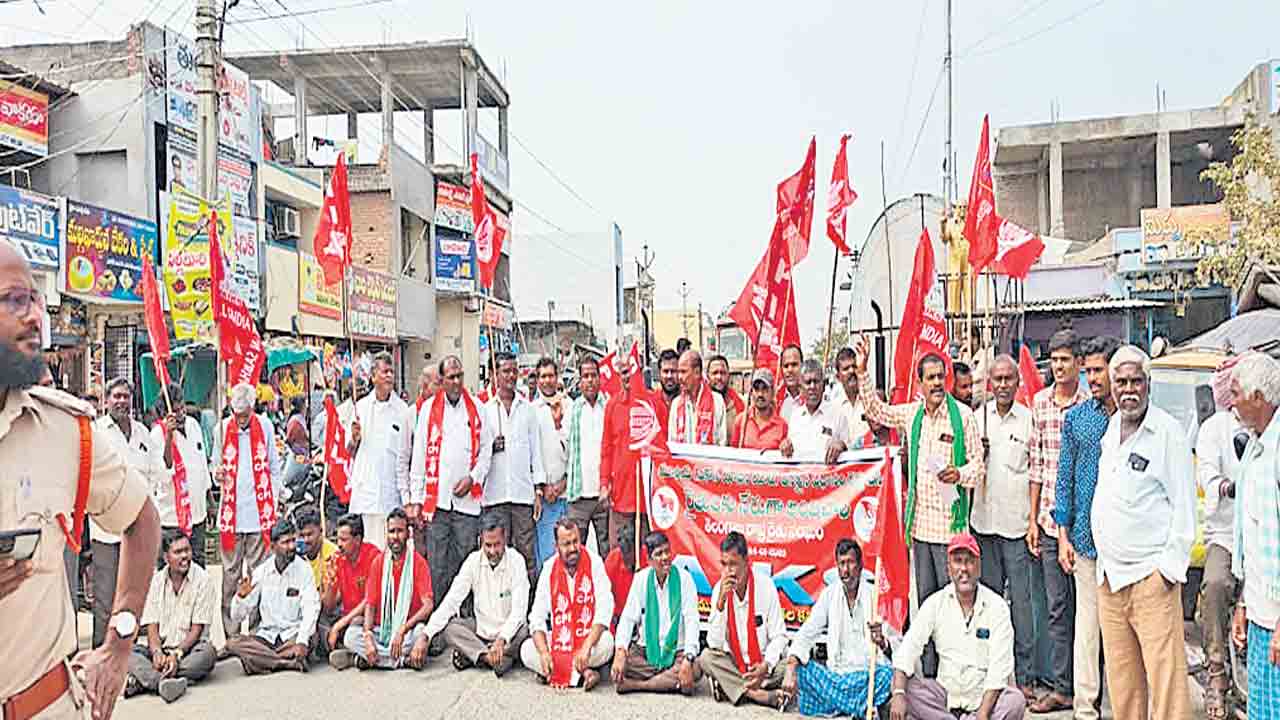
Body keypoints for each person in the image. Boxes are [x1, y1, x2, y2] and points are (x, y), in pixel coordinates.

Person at [0, 238, 162, 720]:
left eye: (36, 300)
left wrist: (119, 644)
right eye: (14, 300)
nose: (35, 318)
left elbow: (142, 519)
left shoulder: (65, 431)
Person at [1092, 345, 1196, 719]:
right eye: (1121, 382)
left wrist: (1167, 572)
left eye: (1136, 380)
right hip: (1111, 579)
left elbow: (1186, 509)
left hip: (1151, 579)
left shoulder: (1167, 432)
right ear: (1112, 386)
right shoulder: (1110, 428)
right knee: (1123, 688)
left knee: (1167, 688)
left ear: (1148, 384)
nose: (1129, 389)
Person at [853, 336, 984, 609]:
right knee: (926, 607)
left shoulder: (963, 416)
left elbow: (978, 469)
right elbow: (878, 411)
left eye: (940, 377)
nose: (937, 383)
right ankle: (928, 655)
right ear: (920, 384)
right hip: (920, 529)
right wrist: (863, 372)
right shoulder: (913, 415)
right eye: (931, 378)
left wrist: (958, 474)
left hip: (951, 529)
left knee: (952, 607)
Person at [1051, 334, 1121, 718]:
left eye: (1099, 370)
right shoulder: (1077, 419)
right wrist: (1063, 536)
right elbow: (1065, 482)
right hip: (1086, 543)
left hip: (1128, 548)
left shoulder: (1133, 418)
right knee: (1087, 630)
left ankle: (1125, 706)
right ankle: (1085, 708)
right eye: (1090, 370)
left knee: (1122, 633)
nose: (1093, 378)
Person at [889, 534, 1027, 720]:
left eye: (969, 561)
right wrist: (898, 693)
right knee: (908, 688)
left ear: (979, 566)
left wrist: (983, 715)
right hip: (946, 698)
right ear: (948, 568)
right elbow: (908, 649)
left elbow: (999, 669)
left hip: (984, 700)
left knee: (1015, 701)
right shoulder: (935, 603)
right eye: (957, 561)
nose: (963, 568)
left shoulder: (997, 606)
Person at [1026, 328, 1088, 712]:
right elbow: (1037, 465)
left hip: (1086, 526)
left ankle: (1090, 683)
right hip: (1050, 523)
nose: (1059, 366)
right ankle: (1062, 687)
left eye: (1066, 359)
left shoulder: (1092, 403)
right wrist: (1032, 520)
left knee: (1091, 608)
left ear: (1079, 363)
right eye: (1055, 359)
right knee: (1057, 608)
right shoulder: (1040, 403)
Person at [971, 355, 1035, 699]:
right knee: (989, 605)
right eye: (997, 379)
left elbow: (1035, 475)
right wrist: (975, 452)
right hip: (983, 525)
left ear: (1017, 382)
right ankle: (989, 674)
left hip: (1017, 527)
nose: (1003, 385)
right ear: (989, 383)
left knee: (1022, 607)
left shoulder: (1028, 421)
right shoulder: (977, 421)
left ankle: (1024, 677)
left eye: (1009, 378)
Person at [410, 355, 494, 617]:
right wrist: (415, 499)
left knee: (467, 563)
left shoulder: (478, 409)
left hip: (468, 504)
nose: (457, 382)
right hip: (437, 504)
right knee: (437, 564)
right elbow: (419, 457)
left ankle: (467, 619)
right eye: (451, 377)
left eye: (460, 376)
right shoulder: (428, 410)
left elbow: (486, 452)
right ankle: (437, 622)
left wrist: (473, 478)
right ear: (442, 380)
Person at [1226, 352, 1280, 720]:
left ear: (1258, 397)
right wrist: (1244, 604)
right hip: (1262, 612)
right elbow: (1255, 538)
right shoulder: (1255, 446)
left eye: (1236, 393)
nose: (1231, 402)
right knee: (1261, 708)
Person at [783, 539, 894, 718]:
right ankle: (859, 708)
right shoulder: (829, 595)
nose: (845, 570)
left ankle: (839, 706)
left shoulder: (875, 596)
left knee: (888, 676)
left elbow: (895, 645)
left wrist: (882, 642)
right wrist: (790, 667)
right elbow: (807, 633)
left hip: (866, 675)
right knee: (802, 671)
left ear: (860, 566)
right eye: (841, 564)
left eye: (850, 563)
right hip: (835, 676)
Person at [91, 377, 161, 648]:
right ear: (106, 400)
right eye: (116, 396)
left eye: (125, 396)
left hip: (138, 528)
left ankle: (130, 652)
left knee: (137, 593)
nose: (121, 401)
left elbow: (159, 474)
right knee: (106, 596)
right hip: (107, 529)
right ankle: (101, 650)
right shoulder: (97, 432)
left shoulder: (143, 433)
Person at [1196, 356, 1246, 718]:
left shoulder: (1270, 426)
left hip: (1266, 530)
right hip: (1227, 532)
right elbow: (1208, 477)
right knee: (1214, 584)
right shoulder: (1214, 429)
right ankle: (1216, 676)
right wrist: (1230, 487)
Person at [217, 382, 285, 640]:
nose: (241, 420)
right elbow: (216, 468)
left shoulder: (265, 426)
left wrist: (275, 499)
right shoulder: (222, 428)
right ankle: (232, 635)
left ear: (253, 409)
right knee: (230, 577)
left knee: (258, 575)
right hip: (231, 516)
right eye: (237, 415)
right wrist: (218, 475)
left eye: (245, 415)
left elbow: (274, 469)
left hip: (259, 514)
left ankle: (258, 632)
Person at [423, 513, 530, 676]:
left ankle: (475, 655)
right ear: (480, 541)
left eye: (497, 545)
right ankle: (491, 659)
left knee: (524, 631)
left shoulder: (517, 561)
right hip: (481, 631)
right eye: (488, 545)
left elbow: (519, 612)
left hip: (509, 636)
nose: (493, 551)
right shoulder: (473, 561)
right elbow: (452, 601)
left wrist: (502, 639)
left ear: (505, 539)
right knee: (451, 629)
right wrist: (426, 635)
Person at [522, 518, 615, 689]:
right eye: (566, 544)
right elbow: (537, 617)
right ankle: (585, 672)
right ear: (556, 546)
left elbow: (605, 608)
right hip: (560, 639)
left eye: (575, 542)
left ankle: (555, 672)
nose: (573, 549)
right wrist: (543, 653)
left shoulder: (594, 562)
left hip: (588, 639)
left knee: (607, 642)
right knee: (527, 650)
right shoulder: (549, 568)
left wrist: (587, 646)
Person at [126, 529, 217, 703]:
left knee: (208, 654)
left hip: (188, 651)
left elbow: (197, 630)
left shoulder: (203, 580)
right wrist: (157, 652)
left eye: (187, 550)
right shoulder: (156, 581)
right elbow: (152, 624)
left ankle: (145, 681)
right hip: (160, 649)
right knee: (126, 651)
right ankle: (166, 682)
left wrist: (177, 654)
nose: (185, 556)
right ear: (166, 558)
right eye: (178, 552)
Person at [700, 531, 789, 708]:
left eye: (733, 564)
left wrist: (766, 665)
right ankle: (758, 695)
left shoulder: (766, 586)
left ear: (747, 562)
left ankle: (731, 688)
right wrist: (721, 604)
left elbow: (780, 636)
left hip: (764, 667)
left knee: (792, 667)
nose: (728, 571)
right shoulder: (720, 589)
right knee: (706, 658)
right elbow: (714, 644)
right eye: (724, 564)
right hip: (735, 664)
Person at [339, 508, 433, 670]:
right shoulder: (379, 562)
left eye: (400, 531)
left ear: (408, 534)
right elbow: (370, 604)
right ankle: (401, 661)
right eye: (391, 531)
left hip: (407, 631)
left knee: (421, 633)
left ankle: (371, 659)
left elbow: (428, 605)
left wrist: (402, 629)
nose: (395, 537)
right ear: (386, 534)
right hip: (382, 630)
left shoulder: (418, 562)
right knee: (350, 637)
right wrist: (368, 636)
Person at [225, 518, 321, 675]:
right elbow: (237, 616)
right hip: (266, 637)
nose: (291, 547)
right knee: (233, 643)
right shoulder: (262, 572)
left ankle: (262, 662)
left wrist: (302, 641)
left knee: (312, 637)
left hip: (292, 636)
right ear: (272, 547)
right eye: (285, 543)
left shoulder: (304, 569)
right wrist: (241, 597)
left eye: (293, 541)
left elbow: (311, 609)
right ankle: (284, 663)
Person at [611, 531, 700, 694]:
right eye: (659, 554)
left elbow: (692, 621)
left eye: (667, 551)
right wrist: (621, 650)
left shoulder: (685, 579)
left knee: (695, 668)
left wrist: (688, 659)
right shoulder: (641, 579)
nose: (665, 557)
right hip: (646, 654)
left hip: (677, 653)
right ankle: (669, 681)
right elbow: (628, 619)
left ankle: (636, 685)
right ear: (649, 560)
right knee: (623, 663)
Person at [482, 352, 544, 583]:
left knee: (525, 553)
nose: (511, 376)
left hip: (521, 495)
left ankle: (527, 606)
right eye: (505, 371)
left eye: (514, 371)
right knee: (497, 552)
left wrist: (538, 490)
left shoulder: (527, 410)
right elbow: (477, 454)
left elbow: (535, 453)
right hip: (494, 495)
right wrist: (491, 447)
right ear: (494, 375)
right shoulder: (485, 410)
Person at [347, 352, 414, 552]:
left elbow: (406, 457)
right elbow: (349, 451)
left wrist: (406, 498)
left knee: (389, 553)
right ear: (373, 376)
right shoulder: (360, 407)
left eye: (391, 372)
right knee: (365, 553)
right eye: (384, 372)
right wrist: (354, 439)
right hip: (365, 496)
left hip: (391, 496)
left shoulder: (403, 410)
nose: (388, 376)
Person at [153, 383, 212, 567]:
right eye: (175, 410)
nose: (180, 413)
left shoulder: (194, 425)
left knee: (198, 567)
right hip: (172, 519)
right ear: (165, 412)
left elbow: (202, 466)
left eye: (181, 407)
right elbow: (165, 470)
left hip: (197, 514)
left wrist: (209, 502)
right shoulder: (157, 434)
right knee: (173, 571)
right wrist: (169, 436)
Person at [601, 350, 653, 547]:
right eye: (623, 372)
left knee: (647, 554)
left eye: (632, 370)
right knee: (621, 553)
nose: (628, 376)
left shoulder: (652, 403)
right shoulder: (612, 406)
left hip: (646, 496)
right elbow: (606, 449)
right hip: (621, 495)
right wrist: (605, 483)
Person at [319, 514, 381, 669]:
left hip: (368, 618)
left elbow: (369, 600)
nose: (339, 545)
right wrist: (330, 583)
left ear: (358, 539)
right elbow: (329, 607)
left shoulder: (374, 556)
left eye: (344, 540)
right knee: (318, 619)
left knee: (355, 623)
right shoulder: (337, 558)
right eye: (338, 539)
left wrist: (339, 625)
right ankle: (350, 651)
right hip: (345, 617)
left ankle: (352, 654)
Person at [563, 356, 610, 555]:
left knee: (607, 550)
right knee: (575, 551)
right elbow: (563, 448)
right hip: (578, 495)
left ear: (600, 378)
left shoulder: (609, 406)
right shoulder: (572, 410)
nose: (590, 380)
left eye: (593, 375)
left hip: (604, 495)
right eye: (585, 376)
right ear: (579, 381)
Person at [531, 357, 569, 567]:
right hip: (543, 497)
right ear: (537, 380)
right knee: (545, 557)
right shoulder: (531, 411)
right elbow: (532, 454)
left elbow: (575, 451)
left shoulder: (570, 407)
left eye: (551, 376)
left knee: (568, 552)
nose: (547, 381)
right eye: (543, 376)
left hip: (567, 493)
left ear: (557, 377)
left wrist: (562, 484)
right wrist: (542, 488)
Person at [781, 359, 851, 464]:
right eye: (808, 382)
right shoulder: (795, 417)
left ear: (823, 386)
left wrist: (841, 445)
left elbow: (851, 450)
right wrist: (785, 446)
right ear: (800, 388)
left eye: (816, 381)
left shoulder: (838, 415)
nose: (812, 387)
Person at [667, 350, 728, 446]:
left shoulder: (717, 401)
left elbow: (722, 443)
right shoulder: (676, 404)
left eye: (683, 372)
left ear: (697, 372)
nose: (679, 377)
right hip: (682, 460)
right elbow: (672, 444)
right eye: (679, 372)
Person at [731, 367, 789, 450]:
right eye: (756, 389)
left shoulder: (782, 425)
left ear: (772, 392)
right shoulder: (741, 421)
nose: (760, 394)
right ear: (751, 392)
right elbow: (733, 455)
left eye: (765, 389)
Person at [831, 347, 871, 442]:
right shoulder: (833, 407)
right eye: (846, 369)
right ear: (838, 377)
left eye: (854, 366)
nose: (851, 371)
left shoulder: (871, 400)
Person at [604, 530, 639, 631]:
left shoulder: (648, 559)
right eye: (625, 555)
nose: (628, 562)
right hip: (619, 617)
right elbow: (605, 597)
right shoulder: (612, 561)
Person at [708, 354, 744, 433]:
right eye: (715, 373)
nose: (719, 377)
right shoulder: (699, 403)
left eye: (723, 373)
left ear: (728, 375)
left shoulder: (739, 404)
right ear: (708, 376)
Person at [282, 396, 310, 488]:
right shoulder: (296, 421)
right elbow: (290, 438)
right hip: (297, 455)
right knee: (287, 480)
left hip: (301, 454)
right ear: (302, 406)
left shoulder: (300, 419)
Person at [777, 344, 805, 421]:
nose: (790, 370)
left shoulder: (812, 398)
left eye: (794, 364)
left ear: (802, 366)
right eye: (786, 366)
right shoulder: (775, 401)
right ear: (781, 369)